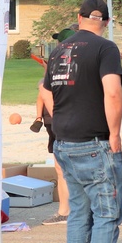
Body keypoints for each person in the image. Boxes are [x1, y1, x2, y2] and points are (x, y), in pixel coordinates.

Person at [43, 0, 122, 243]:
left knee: (78, 216)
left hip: (64, 142)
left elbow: (45, 92)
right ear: (107, 22)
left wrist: (61, 121)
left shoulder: (58, 50)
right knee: (107, 216)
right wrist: (114, 134)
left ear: (79, 17)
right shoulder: (105, 48)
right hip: (94, 142)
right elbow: (112, 91)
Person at [34, 80, 70, 226]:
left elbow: (44, 89)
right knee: (60, 168)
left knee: (82, 166)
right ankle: (64, 212)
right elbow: (42, 92)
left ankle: (104, 213)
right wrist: (38, 117)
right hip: (53, 123)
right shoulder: (53, 67)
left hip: (70, 120)